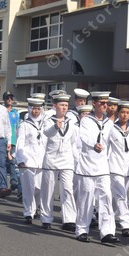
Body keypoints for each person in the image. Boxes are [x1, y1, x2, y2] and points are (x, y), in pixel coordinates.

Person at [75, 91, 119, 243]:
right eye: (102, 103)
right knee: (86, 199)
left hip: (103, 167)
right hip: (87, 167)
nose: (105, 105)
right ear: (94, 104)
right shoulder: (86, 120)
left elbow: (114, 140)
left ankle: (107, 232)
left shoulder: (109, 123)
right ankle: (82, 230)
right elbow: (84, 137)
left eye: (107, 103)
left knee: (106, 197)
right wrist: (93, 145)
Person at [39, 93, 77, 230]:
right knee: (48, 190)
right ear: (55, 106)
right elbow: (46, 133)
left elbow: (73, 140)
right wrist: (55, 126)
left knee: (67, 189)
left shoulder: (71, 121)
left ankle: (69, 220)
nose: (64, 108)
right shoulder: (48, 120)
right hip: (51, 159)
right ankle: (46, 218)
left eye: (66, 105)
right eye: (61, 105)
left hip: (66, 159)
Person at [108, 100, 129, 238]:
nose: (125, 115)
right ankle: (125, 224)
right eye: (122, 112)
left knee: (116, 198)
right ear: (118, 113)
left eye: (127, 113)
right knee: (121, 195)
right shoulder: (111, 128)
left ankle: (107, 217)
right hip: (115, 167)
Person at [15, 97, 46, 224]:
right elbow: (20, 142)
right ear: (29, 109)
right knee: (28, 189)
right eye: (33, 109)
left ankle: (35, 207)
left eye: (38, 109)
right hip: (28, 160)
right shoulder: (24, 125)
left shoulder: (45, 124)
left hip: (42, 161)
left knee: (39, 188)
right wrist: (20, 159)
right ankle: (28, 213)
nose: (35, 111)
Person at [0, 89, 13, 198]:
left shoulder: (2, 109)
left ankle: (2, 187)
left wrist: (9, 141)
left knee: (1, 164)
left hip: (0, 140)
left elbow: (7, 126)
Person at [3, 91, 20, 193]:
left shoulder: (15, 113)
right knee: (3, 163)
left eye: (11, 98)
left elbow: (17, 127)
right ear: (4, 99)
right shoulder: (1, 111)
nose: (9, 100)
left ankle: (13, 182)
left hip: (13, 141)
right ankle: (3, 184)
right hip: (3, 140)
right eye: (7, 98)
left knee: (12, 161)